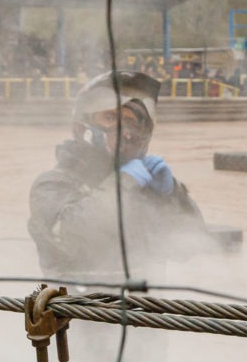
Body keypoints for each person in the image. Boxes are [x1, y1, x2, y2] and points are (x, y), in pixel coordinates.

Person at [28, 69, 211, 286]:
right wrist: (123, 183)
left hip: (143, 314)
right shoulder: (51, 184)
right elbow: (71, 236)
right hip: (76, 313)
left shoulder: (144, 187)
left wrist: (172, 195)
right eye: (110, 117)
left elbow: (189, 246)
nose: (123, 129)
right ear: (83, 124)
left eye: (129, 120)